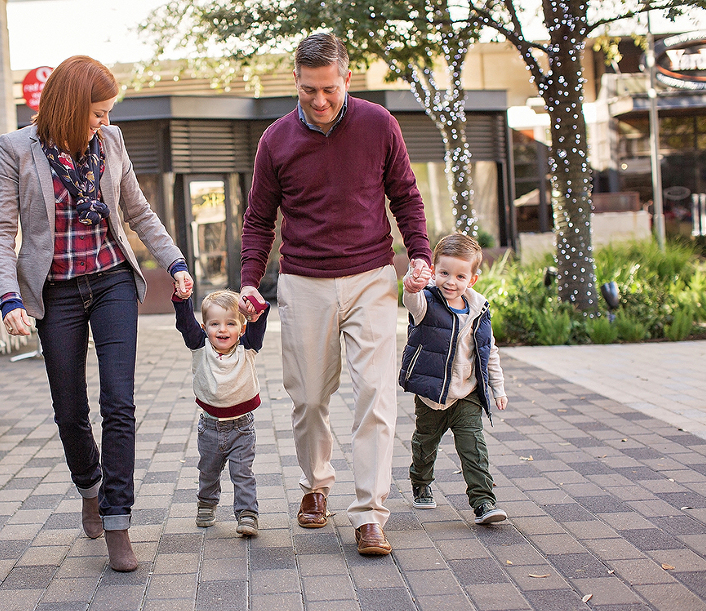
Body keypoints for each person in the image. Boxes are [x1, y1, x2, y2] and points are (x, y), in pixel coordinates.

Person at [0, 56, 193, 572]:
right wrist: (9, 297)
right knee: (70, 411)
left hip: (112, 281)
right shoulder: (16, 149)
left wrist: (174, 261)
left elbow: (138, 211)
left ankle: (118, 520)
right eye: (97, 113)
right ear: (70, 106)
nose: (104, 121)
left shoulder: (111, 142)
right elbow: (1, 230)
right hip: (55, 292)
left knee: (119, 403)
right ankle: (90, 487)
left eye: (107, 113)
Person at [238, 33, 432, 556]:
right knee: (308, 397)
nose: (319, 101)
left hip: (371, 277)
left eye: (329, 89)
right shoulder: (275, 140)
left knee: (376, 394)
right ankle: (316, 484)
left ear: (347, 78)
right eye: (308, 91)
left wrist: (420, 254)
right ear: (295, 82)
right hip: (303, 281)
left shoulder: (379, 124)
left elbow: (406, 196)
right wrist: (251, 281)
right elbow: (259, 219)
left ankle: (370, 512)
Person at [399, 233, 509, 524]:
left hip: (466, 394)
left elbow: (489, 350)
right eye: (444, 273)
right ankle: (420, 482)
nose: (451, 281)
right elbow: (411, 301)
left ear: (472, 280)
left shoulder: (479, 310)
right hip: (432, 395)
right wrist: (412, 284)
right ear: (433, 270)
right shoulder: (426, 302)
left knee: (474, 449)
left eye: (460, 276)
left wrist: (497, 388)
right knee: (425, 445)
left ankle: (484, 502)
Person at [173, 290, 270, 537]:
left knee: (242, 473)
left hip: (242, 428)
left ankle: (247, 514)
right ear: (204, 327)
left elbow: (258, 323)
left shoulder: (248, 347)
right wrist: (182, 300)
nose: (222, 330)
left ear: (242, 328)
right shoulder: (200, 346)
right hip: (210, 428)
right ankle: (206, 504)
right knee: (208, 472)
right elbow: (185, 323)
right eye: (215, 324)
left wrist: (257, 311)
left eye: (230, 323)